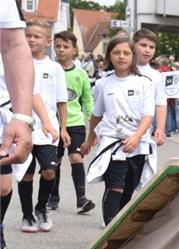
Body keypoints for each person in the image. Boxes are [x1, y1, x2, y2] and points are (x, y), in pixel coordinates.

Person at [81, 34, 155, 224]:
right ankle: (109, 229)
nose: (121, 57)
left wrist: (137, 137)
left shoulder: (144, 83)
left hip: (137, 144)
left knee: (128, 190)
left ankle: (118, 227)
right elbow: (96, 115)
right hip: (113, 142)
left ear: (132, 56)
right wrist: (90, 139)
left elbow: (148, 115)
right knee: (115, 187)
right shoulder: (102, 83)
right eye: (116, 52)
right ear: (109, 56)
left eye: (126, 53)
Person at [14, 20, 68, 233]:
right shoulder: (18, 64)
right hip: (24, 128)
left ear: (48, 41)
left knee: (49, 172)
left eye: (37, 36)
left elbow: (62, 101)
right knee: (26, 175)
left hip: (49, 131)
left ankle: (41, 207)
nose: (31, 39)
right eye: (28, 35)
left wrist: (63, 128)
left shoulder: (54, 68)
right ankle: (27, 215)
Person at [49, 30, 95, 214]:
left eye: (65, 47)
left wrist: (92, 121)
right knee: (55, 161)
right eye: (58, 46)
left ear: (74, 50)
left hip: (75, 123)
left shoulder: (81, 73)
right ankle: (53, 197)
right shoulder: (51, 70)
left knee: (76, 157)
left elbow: (87, 99)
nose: (61, 50)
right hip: (53, 122)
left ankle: (81, 199)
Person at [132, 29, 168, 147]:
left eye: (151, 47)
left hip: (144, 134)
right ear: (133, 45)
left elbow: (160, 103)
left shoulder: (156, 76)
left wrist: (160, 128)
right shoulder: (121, 71)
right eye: (143, 45)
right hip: (118, 132)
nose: (147, 50)